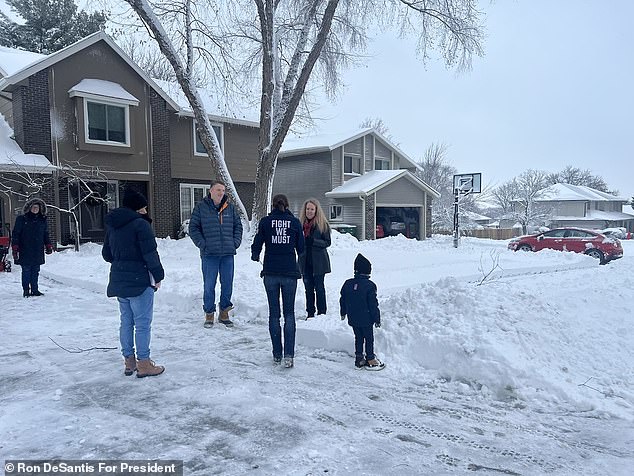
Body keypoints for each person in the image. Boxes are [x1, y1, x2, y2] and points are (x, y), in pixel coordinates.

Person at [102, 189, 165, 378]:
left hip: (119, 279)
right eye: (144, 207)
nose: (146, 211)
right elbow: (150, 254)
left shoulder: (114, 224)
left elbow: (107, 254)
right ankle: (144, 363)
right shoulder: (140, 225)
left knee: (126, 322)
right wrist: (158, 275)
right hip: (139, 280)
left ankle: (129, 361)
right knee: (143, 323)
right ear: (138, 208)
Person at [251, 194, 305, 368]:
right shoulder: (295, 223)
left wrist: (255, 255)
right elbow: (302, 248)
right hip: (289, 272)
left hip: (270, 272)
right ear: (287, 205)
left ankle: (276, 354)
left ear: (272, 205)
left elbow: (257, 243)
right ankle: (289, 355)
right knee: (289, 314)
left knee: (274, 314)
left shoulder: (266, 222)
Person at [189, 180, 243, 328]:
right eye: (218, 190)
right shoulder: (201, 208)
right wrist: (202, 244)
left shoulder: (230, 208)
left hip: (227, 253)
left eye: (223, 190)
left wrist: (235, 242)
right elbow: (193, 228)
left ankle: (224, 312)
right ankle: (209, 314)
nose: (221, 193)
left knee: (227, 284)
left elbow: (238, 226)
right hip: (209, 254)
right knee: (209, 285)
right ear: (211, 191)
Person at [340, 253, 385, 370]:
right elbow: (373, 305)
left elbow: (343, 299)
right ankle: (370, 358)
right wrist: (377, 319)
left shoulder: (347, 284)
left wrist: (343, 312)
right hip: (366, 318)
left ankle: (359, 358)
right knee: (369, 338)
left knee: (358, 338)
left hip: (353, 318)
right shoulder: (370, 286)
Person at [11, 198, 53, 297]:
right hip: (25, 249)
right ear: (29, 208)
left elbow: (45, 234)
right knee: (26, 270)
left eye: (37, 207)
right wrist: (15, 248)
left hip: (37, 249)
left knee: (35, 270)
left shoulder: (42, 220)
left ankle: (35, 289)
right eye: (33, 207)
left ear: (40, 208)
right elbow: (16, 233)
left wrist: (48, 245)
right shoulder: (22, 219)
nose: (35, 209)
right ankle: (26, 290)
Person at [298, 199, 331, 318]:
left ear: (316, 210)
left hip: (319, 262)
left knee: (319, 288)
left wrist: (313, 242)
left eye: (312, 209)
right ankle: (310, 312)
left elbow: (327, 242)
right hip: (305, 261)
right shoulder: (300, 224)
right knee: (308, 289)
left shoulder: (322, 224)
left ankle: (322, 313)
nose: (309, 211)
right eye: (308, 209)